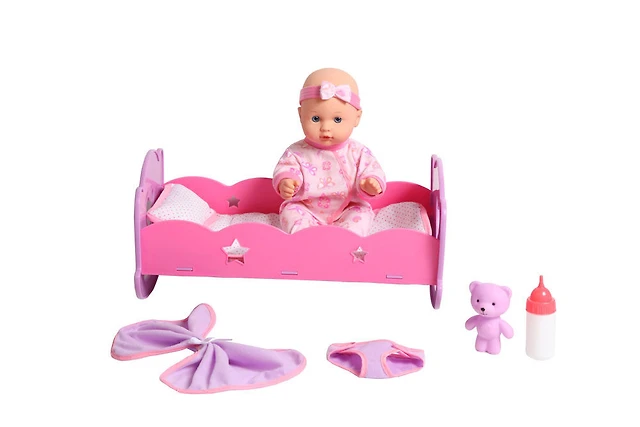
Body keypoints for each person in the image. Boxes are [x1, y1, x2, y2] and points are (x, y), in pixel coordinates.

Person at [272, 68, 386, 236]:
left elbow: (372, 169)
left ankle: (347, 241)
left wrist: (371, 182)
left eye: (337, 119)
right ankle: (305, 240)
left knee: (361, 215)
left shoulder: (357, 152)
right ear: (301, 114)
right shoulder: (296, 152)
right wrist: (286, 181)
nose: (326, 127)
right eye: (316, 119)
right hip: (306, 208)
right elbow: (286, 168)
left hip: (348, 207)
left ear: (357, 118)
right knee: (290, 213)